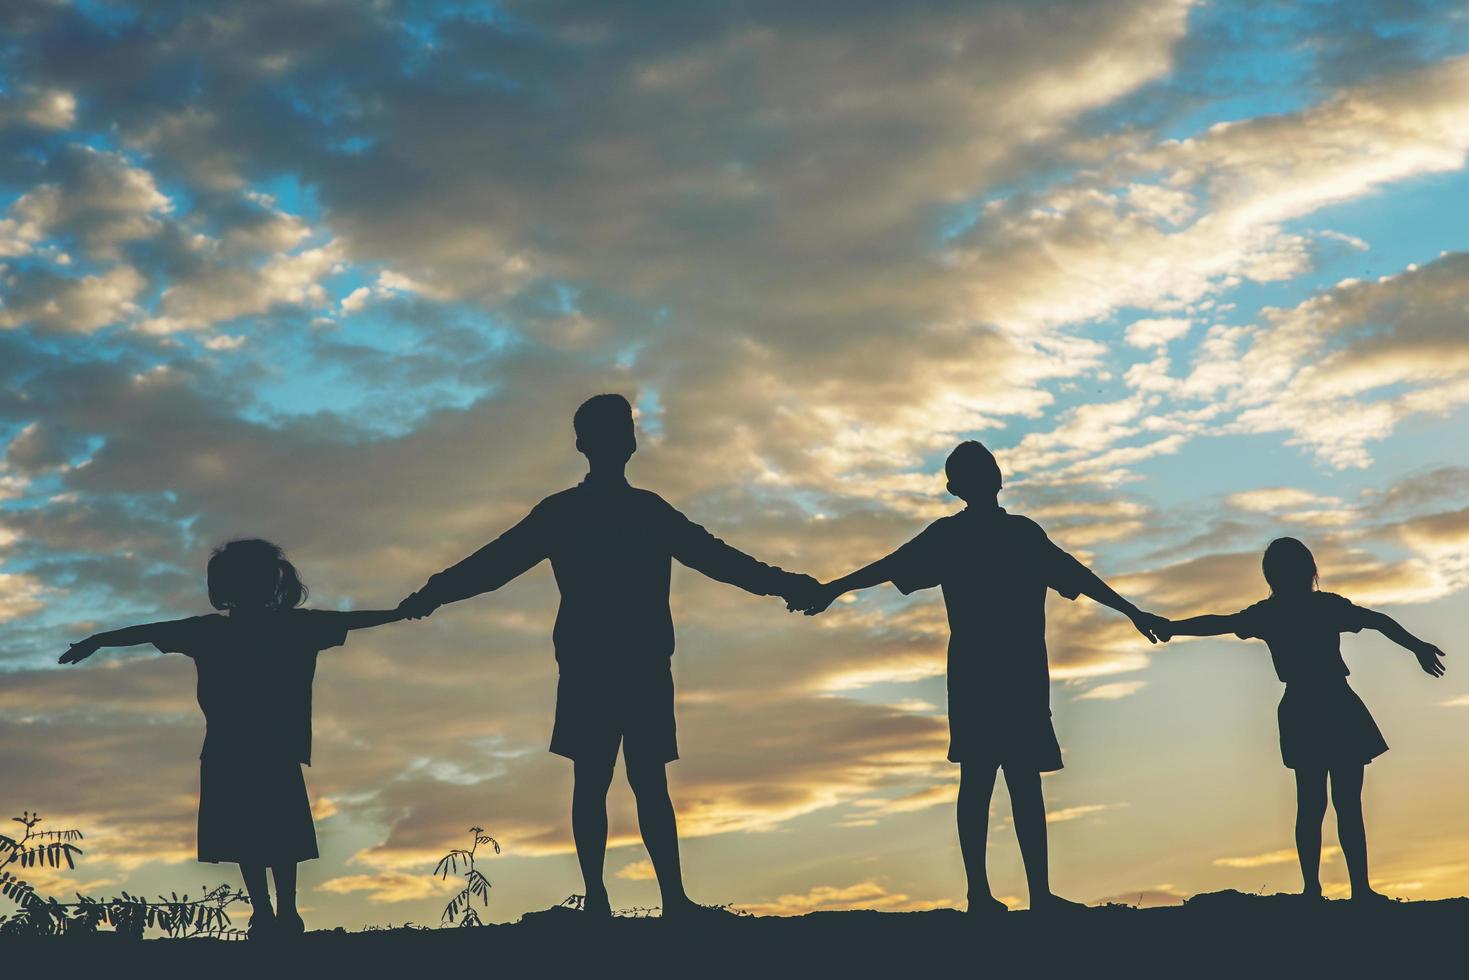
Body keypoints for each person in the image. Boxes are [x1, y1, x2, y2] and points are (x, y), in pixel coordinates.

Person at [398, 394, 820, 920]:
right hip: (611, 662)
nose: (625, 436)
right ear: (612, 443)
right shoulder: (623, 511)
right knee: (622, 779)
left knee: (618, 779)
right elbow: (495, 563)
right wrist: (435, 592)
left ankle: (637, 899)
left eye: (626, 427)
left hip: (613, 662)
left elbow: (717, 557)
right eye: (622, 428)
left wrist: (784, 584)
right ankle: (634, 899)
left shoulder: (599, 511)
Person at [790, 440, 1166, 914]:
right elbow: (889, 566)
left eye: (987, 465)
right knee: (987, 781)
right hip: (990, 674)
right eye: (981, 468)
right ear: (962, 485)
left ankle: (1024, 896)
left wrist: (1132, 611)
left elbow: (1078, 574)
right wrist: (833, 589)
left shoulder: (1010, 534)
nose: (990, 473)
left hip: (1008, 674)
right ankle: (988, 895)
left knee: (1012, 783)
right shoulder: (973, 536)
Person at [59, 538, 404, 939]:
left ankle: (271, 912)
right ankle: (280, 912)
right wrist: (405, 611)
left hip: (235, 745)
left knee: (252, 832)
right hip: (268, 744)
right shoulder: (294, 626)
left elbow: (147, 631)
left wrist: (98, 639)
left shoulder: (217, 631)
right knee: (276, 831)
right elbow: (356, 619)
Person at [1155, 536, 1446, 903]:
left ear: (1271, 576)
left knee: (1311, 803)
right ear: (1310, 571)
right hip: (1334, 702)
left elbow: (1221, 623)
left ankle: (1316, 889)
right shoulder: (1323, 607)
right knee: (1343, 803)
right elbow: (1378, 621)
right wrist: (1417, 646)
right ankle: (1355, 890)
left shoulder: (1270, 613)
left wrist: (1170, 626)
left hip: (1306, 706)